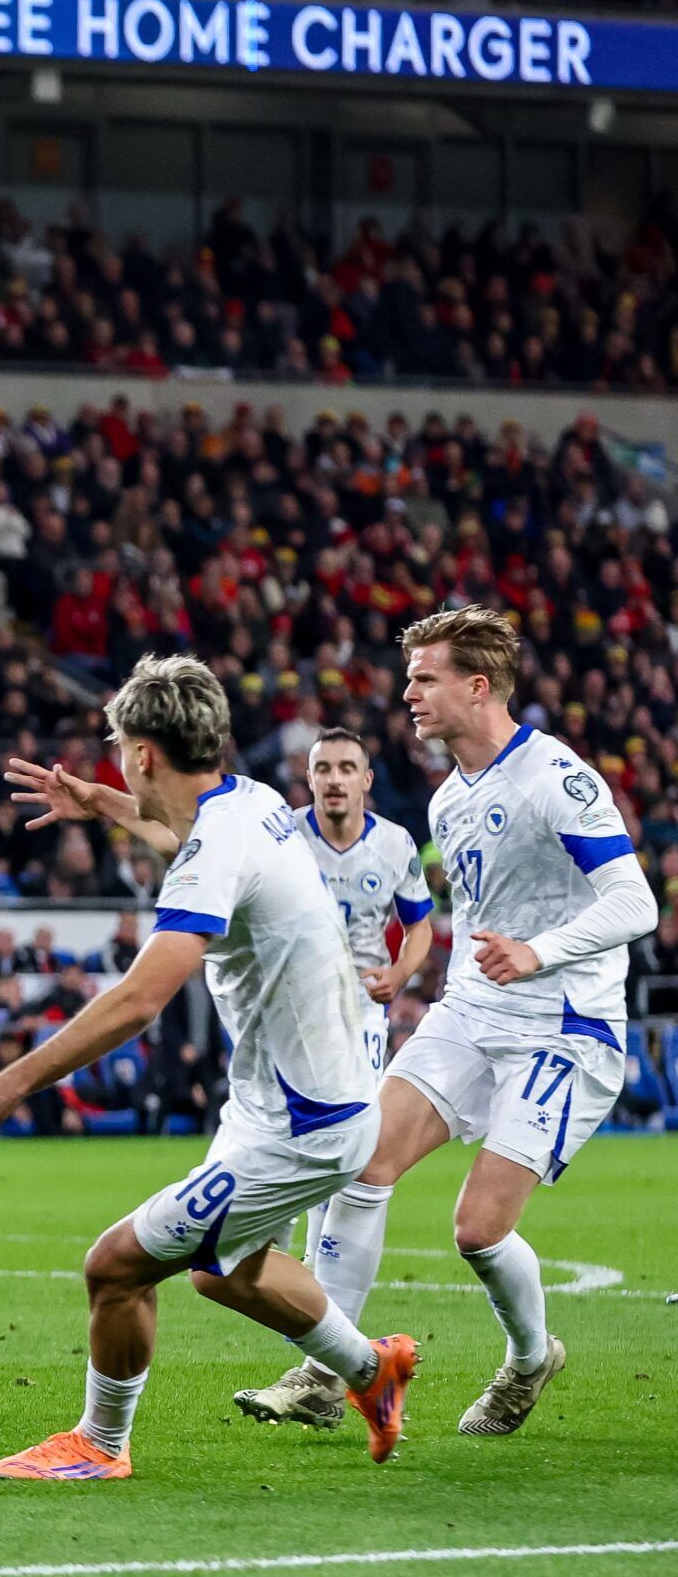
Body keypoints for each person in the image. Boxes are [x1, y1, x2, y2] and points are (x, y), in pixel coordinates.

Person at [0, 655, 415, 1479]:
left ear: (145, 752)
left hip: (300, 1125)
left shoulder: (217, 846)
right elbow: (176, 832)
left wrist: (10, 1083)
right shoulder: (253, 801)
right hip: (293, 1106)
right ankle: (373, 1371)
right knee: (227, 1273)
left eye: (119, 746)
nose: (118, 758)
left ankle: (100, 1443)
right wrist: (100, 802)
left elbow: (138, 999)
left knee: (115, 1266)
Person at [284, 607, 654, 1438]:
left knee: (478, 1231)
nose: (407, 692)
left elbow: (636, 900)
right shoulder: (450, 797)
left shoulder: (555, 777)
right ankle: (326, 1367)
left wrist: (540, 952)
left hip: (564, 1023)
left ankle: (529, 1360)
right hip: (473, 1011)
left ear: (476, 685)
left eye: (425, 677)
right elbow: (483, 914)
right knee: (363, 1158)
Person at [234, 725, 436, 1428]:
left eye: (348, 767)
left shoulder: (395, 844)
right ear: (309, 776)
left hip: (358, 1023)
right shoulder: (280, 834)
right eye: (324, 768)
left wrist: (402, 973)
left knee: (347, 1172)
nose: (335, 779)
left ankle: (325, 1364)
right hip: (283, 1017)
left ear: (367, 779)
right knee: (303, 1156)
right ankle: (329, 1355)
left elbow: (419, 925)